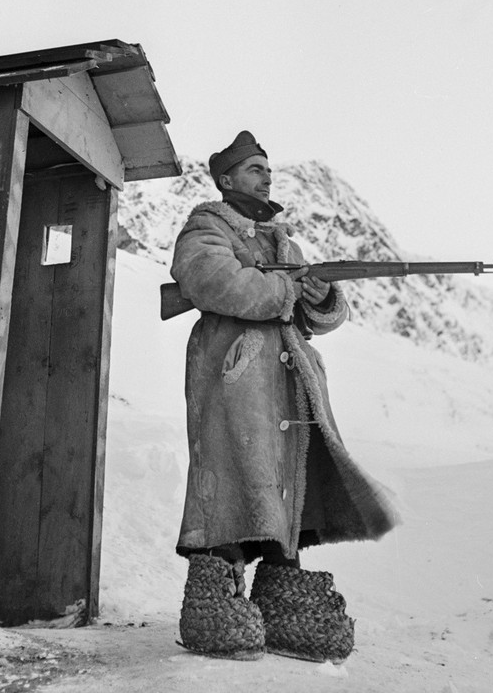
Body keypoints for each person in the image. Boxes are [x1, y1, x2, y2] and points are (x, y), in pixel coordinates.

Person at [170, 130, 398, 663]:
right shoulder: (207, 225)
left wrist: (319, 296)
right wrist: (284, 290)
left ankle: (280, 591)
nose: (265, 176)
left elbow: (317, 318)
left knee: (282, 484)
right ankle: (215, 595)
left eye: (266, 168)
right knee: (232, 476)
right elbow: (207, 277)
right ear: (225, 180)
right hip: (237, 375)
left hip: (287, 383)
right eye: (253, 168)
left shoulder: (285, 244)